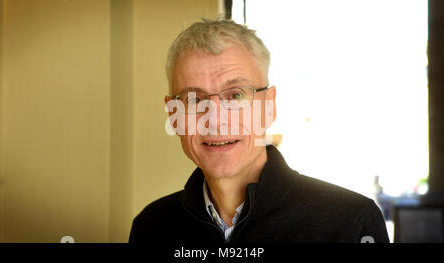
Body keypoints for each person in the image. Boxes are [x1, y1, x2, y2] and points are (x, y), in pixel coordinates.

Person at [129, 19, 389, 244]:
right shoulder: (151, 227)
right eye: (195, 100)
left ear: (269, 106)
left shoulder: (351, 222)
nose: (216, 120)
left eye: (236, 95)